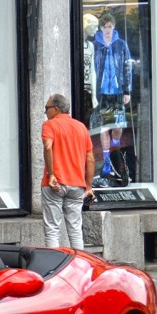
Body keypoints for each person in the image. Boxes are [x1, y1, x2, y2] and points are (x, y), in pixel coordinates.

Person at [41, 93, 95, 249]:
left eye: (47, 108)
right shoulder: (81, 127)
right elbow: (90, 159)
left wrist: (51, 175)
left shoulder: (49, 125)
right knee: (75, 230)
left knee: (52, 229)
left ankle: (54, 268)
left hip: (55, 183)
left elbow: (48, 146)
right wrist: (89, 186)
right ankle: (80, 267)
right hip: (77, 184)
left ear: (56, 109)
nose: (46, 112)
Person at [92, 12, 134, 180]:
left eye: (110, 26)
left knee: (118, 126)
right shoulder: (95, 45)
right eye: (105, 26)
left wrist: (127, 90)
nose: (107, 29)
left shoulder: (121, 45)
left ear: (113, 26)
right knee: (104, 128)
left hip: (117, 92)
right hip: (102, 92)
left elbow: (127, 67)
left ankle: (115, 154)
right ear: (101, 28)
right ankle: (107, 161)